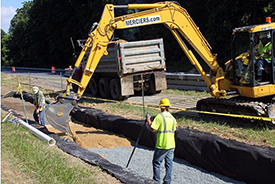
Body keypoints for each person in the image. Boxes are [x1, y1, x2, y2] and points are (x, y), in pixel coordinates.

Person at [146, 98, 177, 184]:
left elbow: (153, 128)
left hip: (162, 145)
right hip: (171, 145)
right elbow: (173, 130)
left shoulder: (159, 117)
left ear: (161, 107)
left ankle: (156, 181)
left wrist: (148, 119)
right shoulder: (173, 118)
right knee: (169, 164)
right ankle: (167, 181)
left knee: (156, 163)